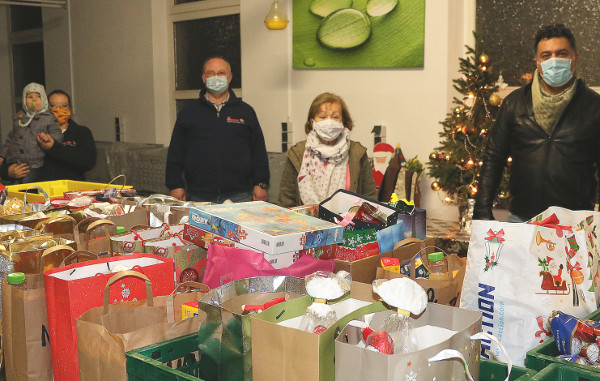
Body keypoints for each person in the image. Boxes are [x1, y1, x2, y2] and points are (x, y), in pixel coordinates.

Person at [474, 24, 600, 222]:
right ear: (537, 62)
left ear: (575, 58)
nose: (554, 60)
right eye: (546, 55)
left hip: (576, 224)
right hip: (522, 219)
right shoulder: (514, 103)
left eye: (562, 53)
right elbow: (493, 158)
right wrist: (482, 208)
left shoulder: (594, 106)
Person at [165, 55, 270, 203]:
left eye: (221, 73)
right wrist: (175, 184)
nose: (216, 77)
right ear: (203, 77)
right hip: (199, 196)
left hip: (239, 195)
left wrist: (261, 184)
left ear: (229, 77)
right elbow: (176, 152)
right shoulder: (188, 113)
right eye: (210, 73)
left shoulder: (245, 112)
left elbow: (258, 151)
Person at [278, 92, 377, 207]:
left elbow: (370, 200)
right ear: (312, 122)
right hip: (305, 222)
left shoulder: (356, 153)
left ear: (343, 121)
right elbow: (286, 201)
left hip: (348, 223)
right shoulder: (298, 153)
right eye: (323, 117)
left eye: (335, 117)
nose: (329, 122)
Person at [0, 82, 62, 183]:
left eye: (38, 96)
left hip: (35, 163)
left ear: (44, 100)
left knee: (28, 184)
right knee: (15, 186)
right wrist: (2, 155)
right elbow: (11, 137)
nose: (34, 99)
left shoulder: (48, 118)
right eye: (30, 97)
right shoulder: (20, 116)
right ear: (24, 100)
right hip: (17, 161)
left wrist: (49, 139)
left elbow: (57, 134)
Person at [34, 89, 97, 181]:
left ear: (70, 110)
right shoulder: (35, 131)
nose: (58, 110)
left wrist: (53, 147)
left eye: (64, 106)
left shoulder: (82, 132)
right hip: (41, 191)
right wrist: (9, 171)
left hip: (72, 191)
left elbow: (88, 162)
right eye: (52, 106)